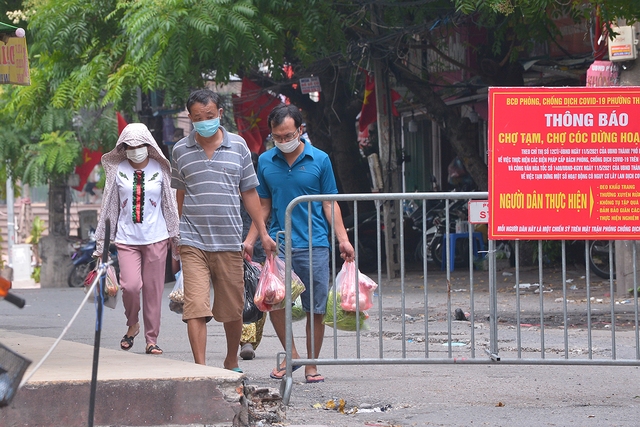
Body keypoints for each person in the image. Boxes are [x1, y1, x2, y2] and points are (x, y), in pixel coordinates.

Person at [244, 103, 355, 384]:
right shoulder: (267, 161)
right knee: (274, 302)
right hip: (279, 245)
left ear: (300, 130)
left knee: (315, 308)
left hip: (315, 244)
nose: (283, 141)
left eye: (288, 135)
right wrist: (251, 239)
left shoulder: (320, 159)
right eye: (277, 137)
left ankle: (311, 365)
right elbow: (264, 206)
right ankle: (291, 356)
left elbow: (330, 203)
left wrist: (343, 240)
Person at [171, 89, 276, 370]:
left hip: (230, 241)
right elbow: (179, 195)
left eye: (209, 115)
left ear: (219, 114)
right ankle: (201, 368)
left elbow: (250, 194)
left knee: (232, 309)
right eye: (197, 117)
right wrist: (176, 234)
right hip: (192, 241)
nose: (204, 121)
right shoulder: (180, 150)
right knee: (195, 307)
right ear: (190, 118)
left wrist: (262, 234)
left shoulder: (239, 147)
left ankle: (231, 360)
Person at [94, 123, 180, 355]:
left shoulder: (160, 169)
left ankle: (151, 339)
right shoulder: (117, 171)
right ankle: (132, 324)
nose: (135, 149)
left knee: (153, 291)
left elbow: (170, 206)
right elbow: (108, 207)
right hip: (126, 239)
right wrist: (101, 244)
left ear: (148, 145)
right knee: (131, 286)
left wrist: (176, 238)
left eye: (139, 144)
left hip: (157, 238)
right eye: (129, 145)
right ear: (122, 148)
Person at [239, 152, 267, 361]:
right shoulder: (231, 188)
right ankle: (246, 341)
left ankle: (250, 339)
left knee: (260, 297)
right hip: (237, 249)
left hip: (260, 248)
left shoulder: (262, 192)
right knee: (244, 294)